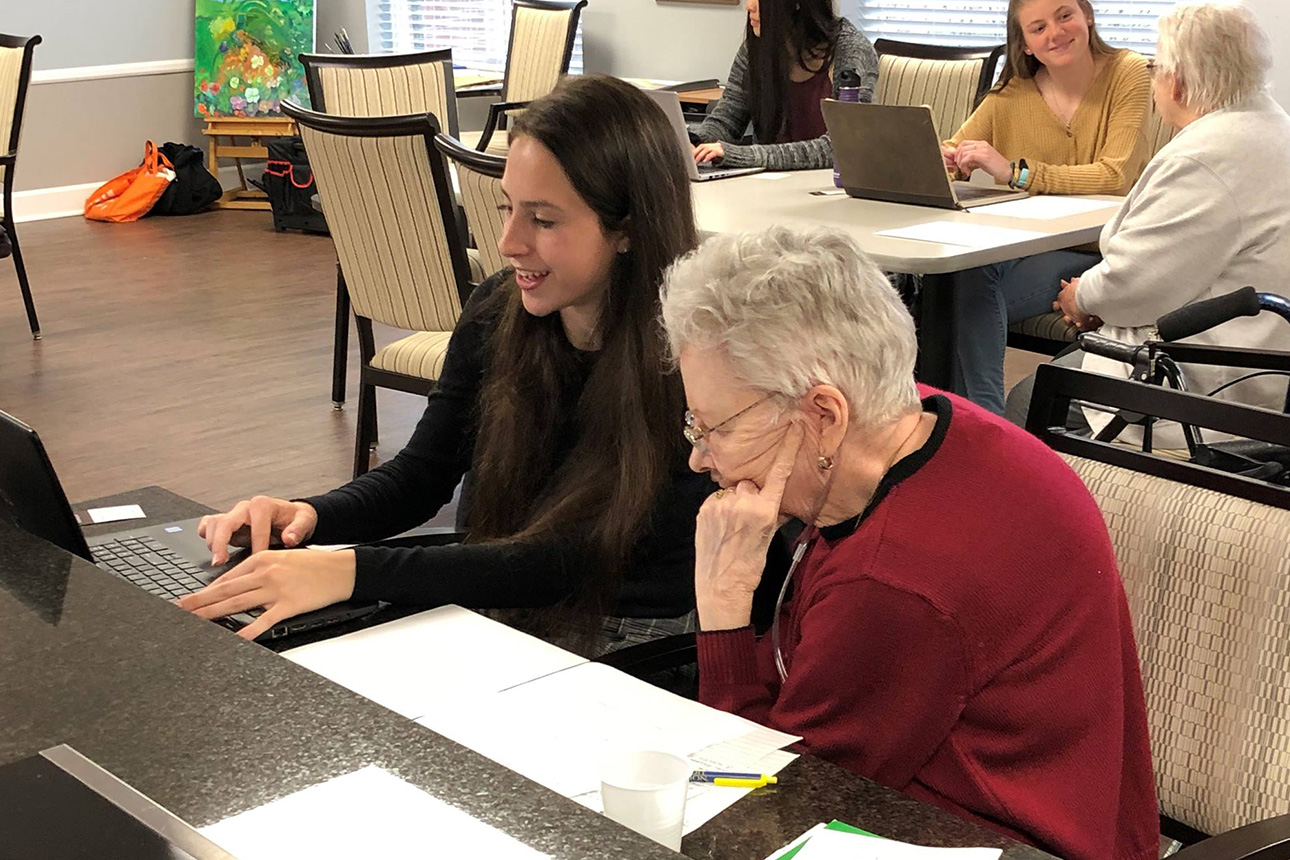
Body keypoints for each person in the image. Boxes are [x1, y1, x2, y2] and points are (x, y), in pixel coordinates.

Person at [659, 224, 1159, 860]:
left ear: (824, 415)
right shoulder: (923, 417)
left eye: (713, 427)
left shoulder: (896, 581)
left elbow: (767, 809)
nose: (701, 458)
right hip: (1054, 810)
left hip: (990, 839)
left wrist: (725, 606)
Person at [179, 76, 711, 653]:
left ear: (628, 229)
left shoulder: (695, 354)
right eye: (507, 209)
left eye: (544, 220)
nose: (508, 242)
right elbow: (421, 475)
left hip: (636, 638)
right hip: (506, 599)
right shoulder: (500, 310)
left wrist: (352, 569)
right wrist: (308, 517)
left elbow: (573, 558)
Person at [1006, 1, 1290, 444]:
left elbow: (1133, 287)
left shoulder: (1205, 158)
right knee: (1062, 363)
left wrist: (1083, 295)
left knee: (1028, 398)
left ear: (1176, 82)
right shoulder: (1271, 127)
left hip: (1201, 386)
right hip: (1256, 357)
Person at [942, 0, 1152, 414]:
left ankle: (981, 427)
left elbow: (1116, 176)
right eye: (1037, 28)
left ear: (1087, 15)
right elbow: (954, 151)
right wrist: (946, 160)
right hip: (1029, 249)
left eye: (1064, 15)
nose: (1055, 33)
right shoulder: (1012, 94)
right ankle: (974, 426)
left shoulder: (1127, 71)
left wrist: (1016, 173)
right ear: (1024, 46)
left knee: (951, 304)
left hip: (1096, 252)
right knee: (949, 289)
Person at [689, 0, 878, 171]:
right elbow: (727, 120)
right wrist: (695, 144)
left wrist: (742, 156)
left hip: (830, 192)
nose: (749, 6)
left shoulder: (851, 51)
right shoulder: (757, 47)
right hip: (765, 189)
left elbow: (841, 146)